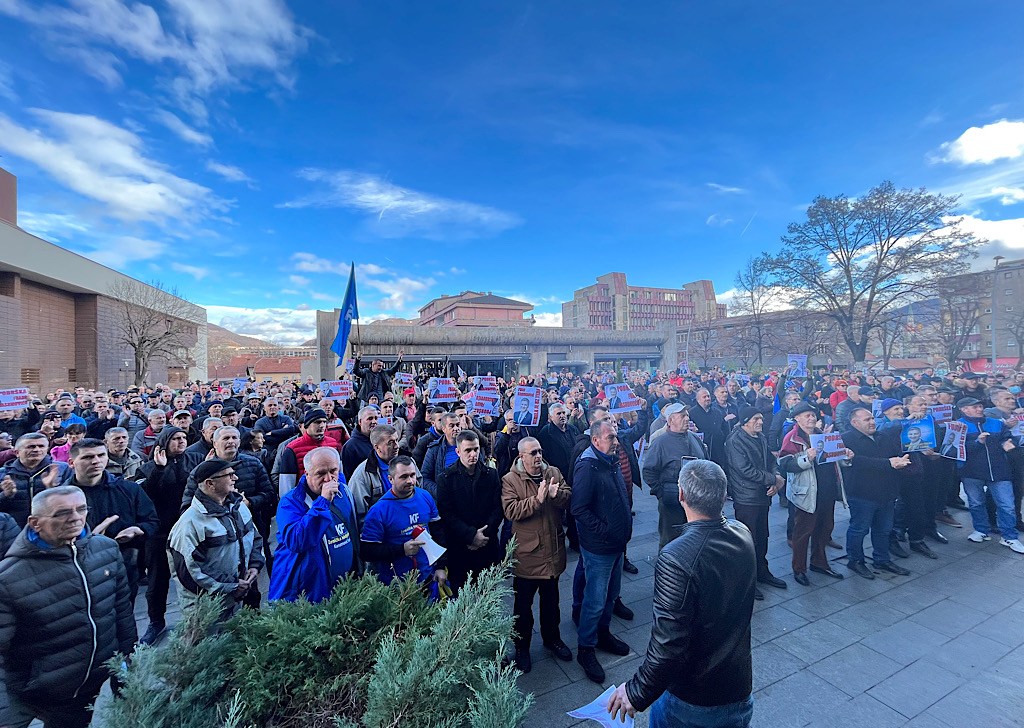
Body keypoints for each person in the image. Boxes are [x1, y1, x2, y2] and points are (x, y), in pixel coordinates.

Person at [606, 460, 756, 728]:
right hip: (737, 687)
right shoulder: (742, 531)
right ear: (723, 495)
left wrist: (636, 692)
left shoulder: (676, 557)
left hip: (693, 700)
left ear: (682, 495)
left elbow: (668, 643)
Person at [0, 486, 138, 728]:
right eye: (62, 513)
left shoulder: (106, 549)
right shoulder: (9, 577)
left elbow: (122, 614)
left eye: (81, 509)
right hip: (35, 690)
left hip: (86, 688)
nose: (75, 517)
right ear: (35, 523)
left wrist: (125, 668)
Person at [501, 437, 572, 673]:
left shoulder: (552, 472)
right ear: (522, 456)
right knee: (523, 607)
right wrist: (538, 499)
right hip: (527, 556)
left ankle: (552, 639)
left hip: (552, 552)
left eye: (540, 451)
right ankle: (522, 648)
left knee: (552, 603)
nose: (538, 456)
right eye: (533, 452)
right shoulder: (510, 480)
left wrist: (555, 495)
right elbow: (511, 511)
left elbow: (567, 495)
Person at [571, 419, 632, 684]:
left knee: (611, 595)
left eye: (616, 436)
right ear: (596, 441)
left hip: (616, 545)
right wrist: (606, 530)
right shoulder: (588, 466)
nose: (616, 442)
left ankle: (603, 634)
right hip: (599, 548)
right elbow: (579, 509)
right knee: (594, 601)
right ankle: (586, 648)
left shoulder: (611, 460)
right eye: (610, 438)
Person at [62, 438, 159, 605]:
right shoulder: (60, 497)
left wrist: (137, 529)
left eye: (101, 455)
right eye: (87, 457)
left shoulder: (129, 489)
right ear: (72, 462)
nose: (96, 461)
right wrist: (87, 539)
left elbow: (152, 521)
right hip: (77, 569)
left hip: (122, 565)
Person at [169, 458, 265, 618]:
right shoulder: (190, 522)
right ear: (210, 483)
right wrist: (232, 586)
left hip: (237, 599)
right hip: (207, 608)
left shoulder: (238, 507)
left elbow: (254, 538)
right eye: (229, 475)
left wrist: (254, 566)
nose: (236, 478)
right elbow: (190, 570)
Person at [268, 447, 360, 602]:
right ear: (307, 474)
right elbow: (297, 541)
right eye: (321, 473)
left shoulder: (344, 492)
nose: (328, 479)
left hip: (343, 585)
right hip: (307, 591)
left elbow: (352, 530)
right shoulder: (290, 502)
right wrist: (322, 502)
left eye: (333, 471)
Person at [779, 402, 852, 586]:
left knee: (824, 528)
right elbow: (785, 464)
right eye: (806, 416)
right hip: (807, 492)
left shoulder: (822, 435)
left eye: (813, 415)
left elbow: (835, 461)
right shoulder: (792, 437)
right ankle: (799, 569)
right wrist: (806, 458)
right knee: (802, 532)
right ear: (797, 419)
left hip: (826, 490)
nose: (811, 418)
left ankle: (819, 562)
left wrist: (845, 457)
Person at [138, 426, 193, 645]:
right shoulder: (148, 467)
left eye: (184, 438)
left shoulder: (194, 460)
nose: (181, 441)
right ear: (164, 441)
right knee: (157, 581)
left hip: (188, 531)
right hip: (160, 532)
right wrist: (159, 470)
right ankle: (155, 622)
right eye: (176, 438)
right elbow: (144, 496)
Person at [842, 409, 913, 579]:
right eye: (867, 419)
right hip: (862, 494)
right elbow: (856, 462)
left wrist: (900, 461)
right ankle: (855, 560)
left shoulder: (882, 436)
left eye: (872, 418)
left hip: (886, 492)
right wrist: (888, 463)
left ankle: (882, 559)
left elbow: (893, 456)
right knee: (859, 529)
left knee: (883, 529)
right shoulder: (845, 439)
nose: (872, 422)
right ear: (855, 423)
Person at [726, 407, 788, 598]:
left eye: (761, 418)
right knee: (747, 541)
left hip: (762, 495)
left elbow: (770, 460)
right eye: (756, 419)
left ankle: (763, 571)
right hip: (746, 497)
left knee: (762, 536)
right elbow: (744, 469)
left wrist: (776, 475)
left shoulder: (760, 437)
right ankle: (745, 581)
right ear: (745, 421)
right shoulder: (735, 441)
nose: (760, 422)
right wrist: (772, 479)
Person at [360, 455, 448, 588]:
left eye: (412, 475)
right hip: (395, 585)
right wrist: (402, 550)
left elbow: (438, 533)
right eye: (403, 477)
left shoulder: (425, 496)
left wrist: (440, 566)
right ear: (390, 479)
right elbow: (367, 551)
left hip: (427, 577)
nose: (410, 481)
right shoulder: (379, 511)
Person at [435, 430, 503, 592]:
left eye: (476, 449)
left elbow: (497, 508)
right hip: (460, 549)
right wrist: (471, 535)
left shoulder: (491, 474)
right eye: (468, 450)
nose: (473, 454)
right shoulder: (446, 478)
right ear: (458, 452)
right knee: (462, 598)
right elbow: (447, 514)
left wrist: (483, 536)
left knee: (489, 596)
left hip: (487, 547)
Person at [956, 397, 1023, 553]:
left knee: (1007, 504)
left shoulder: (996, 423)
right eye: (974, 407)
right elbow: (954, 450)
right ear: (964, 409)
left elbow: (1007, 437)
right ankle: (981, 530)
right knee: (976, 502)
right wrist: (977, 443)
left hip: (999, 470)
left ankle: (1009, 536)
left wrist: (1008, 443)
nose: (979, 409)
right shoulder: (958, 426)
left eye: (980, 406)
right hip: (971, 472)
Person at [642, 403, 706, 549]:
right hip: (672, 502)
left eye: (687, 415)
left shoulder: (694, 438)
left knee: (694, 539)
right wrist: (661, 493)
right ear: (670, 421)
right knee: (671, 540)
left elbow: (705, 461)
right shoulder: (660, 443)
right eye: (682, 416)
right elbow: (648, 471)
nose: (686, 419)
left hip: (696, 500)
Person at [0, 432, 68, 526]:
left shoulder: (62, 469)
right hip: (13, 529)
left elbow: (70, 503)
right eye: (31, 447)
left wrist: (52, 490)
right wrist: (6, 495)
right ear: (17, 452)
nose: (37, 450)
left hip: (51, 527)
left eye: (41, 446)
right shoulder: (3, 474)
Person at [278, 408, 343, 497]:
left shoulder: (333, 443)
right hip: (304, 500)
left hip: (333, 495)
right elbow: (287, 483)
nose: (322, 425)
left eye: (324, 422)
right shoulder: (292, 448)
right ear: (307, 425)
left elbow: (339, 472)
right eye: (317, 422)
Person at [348, 424, 404, 526]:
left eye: (397, 440)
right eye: (390, 443)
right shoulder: (361, 475)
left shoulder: (408, 462)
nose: (397, 446)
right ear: (377, 447)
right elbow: (360, 515)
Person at [421, 412, 462, 498]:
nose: (456, 428)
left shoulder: (469, 445)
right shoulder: (434, 449)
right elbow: (425, 478)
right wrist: (440, 492)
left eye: (458, 425)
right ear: (443, 429)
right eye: (451, 425)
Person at [341, 406, 379, 481]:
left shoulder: (380, 441)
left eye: (376, 418)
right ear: (360, 422)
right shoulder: (350, 446)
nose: (374, 421)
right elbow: (347, 475)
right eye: (370, 418)